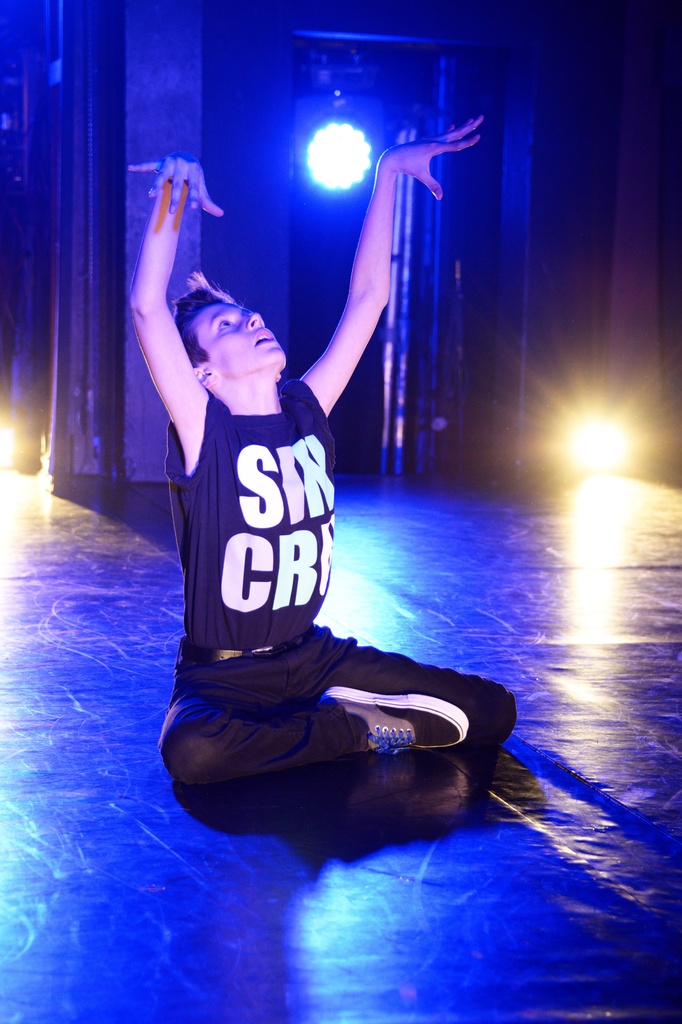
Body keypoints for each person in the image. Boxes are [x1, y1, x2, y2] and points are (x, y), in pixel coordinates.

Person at [129, 116, 516, 785]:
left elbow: (368, 298)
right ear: (204, 372)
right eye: (227, 325)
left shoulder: (307, 410)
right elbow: (146, 309)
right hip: (224, 678)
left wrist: (388, 171)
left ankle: (328, 723)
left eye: (249, 314)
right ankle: (356, 730)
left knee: (492, 711)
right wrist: (174, 189)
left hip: (315, 658)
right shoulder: (204, 429)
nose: (252, 320)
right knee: (195, 753)